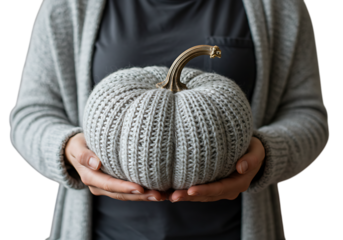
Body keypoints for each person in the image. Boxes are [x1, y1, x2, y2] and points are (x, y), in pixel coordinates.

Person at [9, 0, 330, 239]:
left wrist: (268, 153)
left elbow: (309, 115)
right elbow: (29, 115)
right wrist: (68, 152)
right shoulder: (67, 5)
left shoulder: (279, 6)